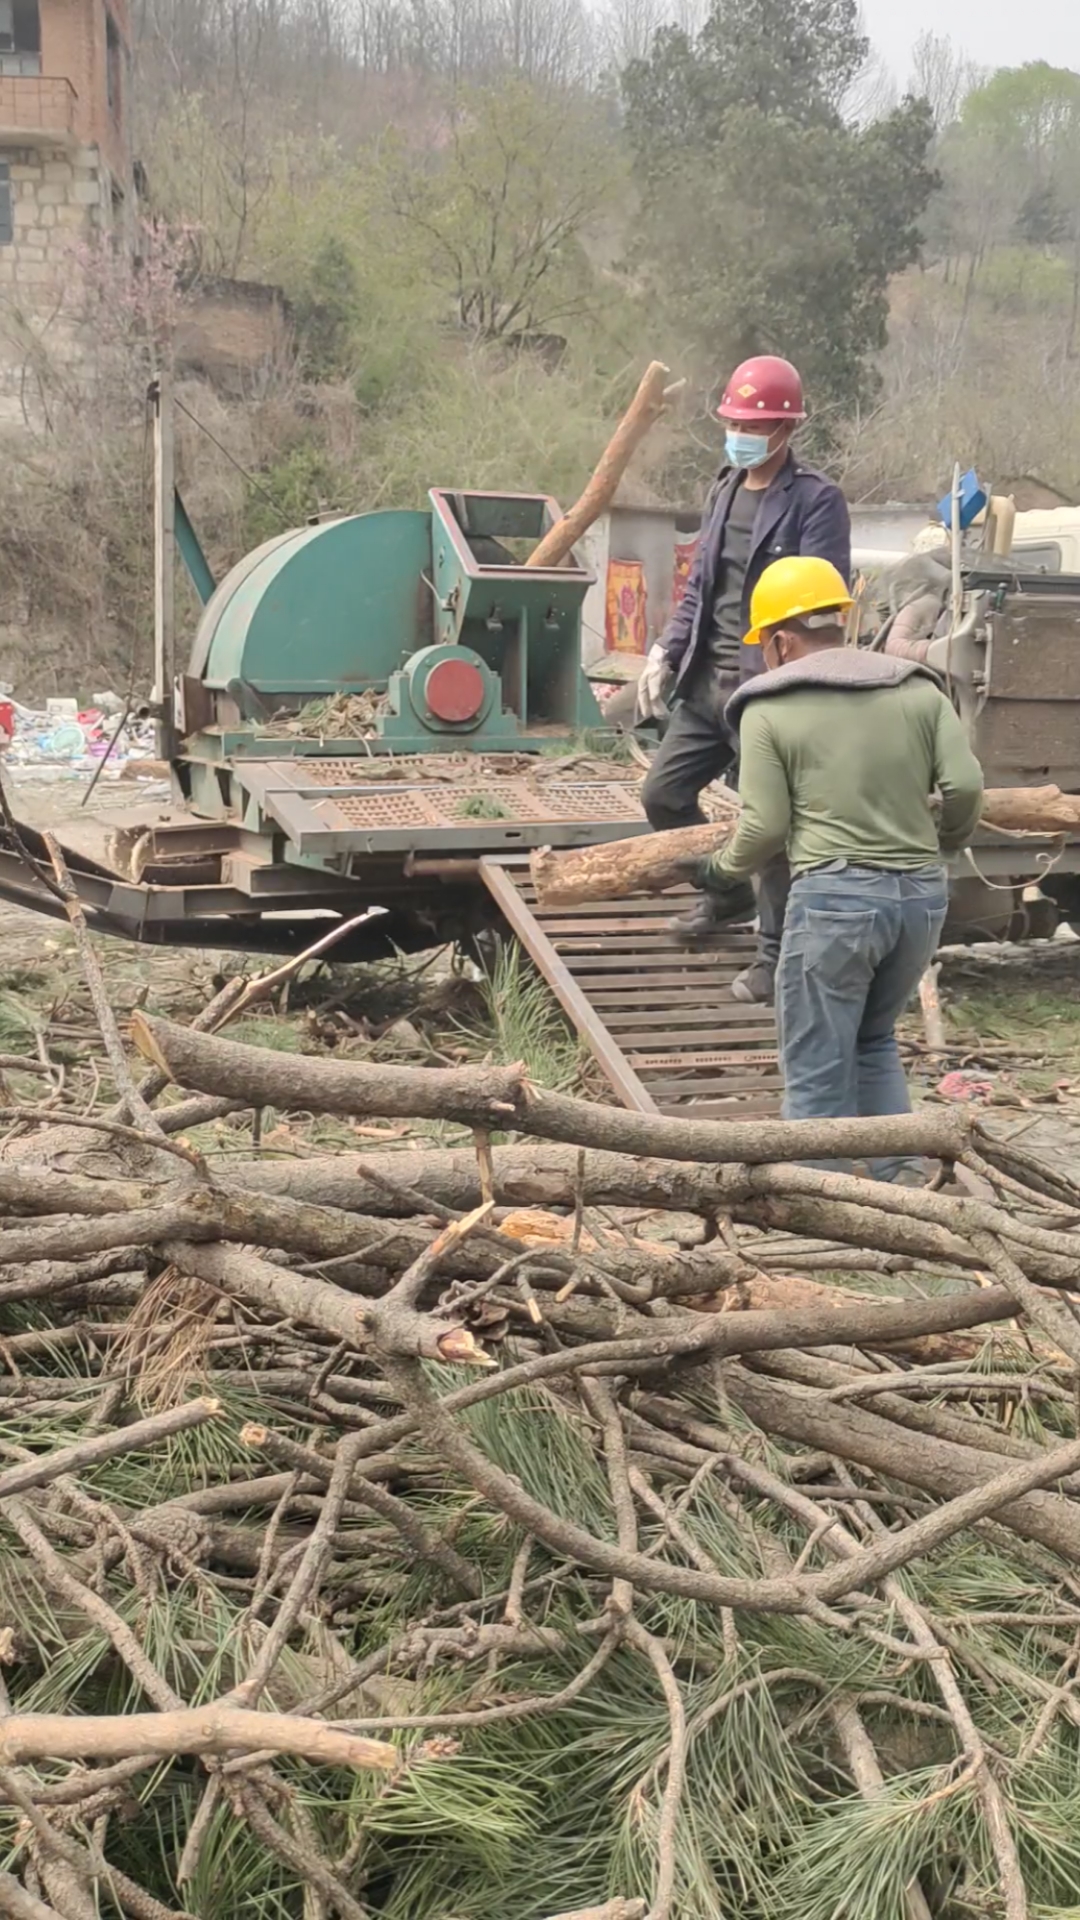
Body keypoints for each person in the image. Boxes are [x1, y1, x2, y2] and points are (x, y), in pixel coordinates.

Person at [682, 555, 984, 1184]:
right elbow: (963, 787)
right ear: (839, 623)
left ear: (782, 640)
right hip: (920, 902)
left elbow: (763, 828)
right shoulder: (917, 689)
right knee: (874, 1042)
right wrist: (945, 848)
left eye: (765, 642)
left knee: (815, 1061)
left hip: (837, 905)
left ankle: (816, 1198)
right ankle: (899, 1176)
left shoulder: (770, 708)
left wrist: (719, 871)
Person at [635, 353, 851, 1005]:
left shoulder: (817, 502)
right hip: (708, 685)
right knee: (661, 795)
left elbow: (820, 608)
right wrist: (666, 651)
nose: (741, 434)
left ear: (786, 431)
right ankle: (724, 894)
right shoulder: (724, 487)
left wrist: (802, 690)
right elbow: (701, 586)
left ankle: (773, 957)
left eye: (753, 425)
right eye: (734, 422)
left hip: (770, 690)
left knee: (772, 827)